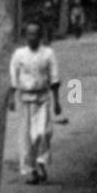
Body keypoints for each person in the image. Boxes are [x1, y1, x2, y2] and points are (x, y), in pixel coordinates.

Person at [7, 21, 61, 184]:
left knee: (42, 133)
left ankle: (41, 161)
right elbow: (13, 76)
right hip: (24, 98)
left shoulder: (48, 53)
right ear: (25, 36)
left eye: (35, 34)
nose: (32, 38)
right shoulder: (19, 54)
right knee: (26, 136)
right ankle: (30, 170)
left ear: (41, 36)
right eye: (29, 34)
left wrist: (57, 102)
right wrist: (11, 97)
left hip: (43, 97)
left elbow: (54, 78)